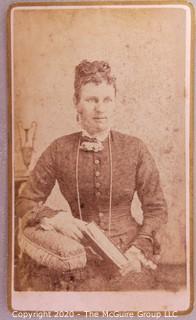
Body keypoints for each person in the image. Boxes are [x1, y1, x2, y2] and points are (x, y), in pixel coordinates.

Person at [16, 60, 168, 291]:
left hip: (128, 253)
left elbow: (156, 208)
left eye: (107, 99)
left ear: (115, 102)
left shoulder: (135, 148)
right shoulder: (59, 148)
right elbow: (24, 201)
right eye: (91, 100)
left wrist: (139, 248)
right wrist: (58, 219)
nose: (101, 108)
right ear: (77, 104)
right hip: (80, 254)